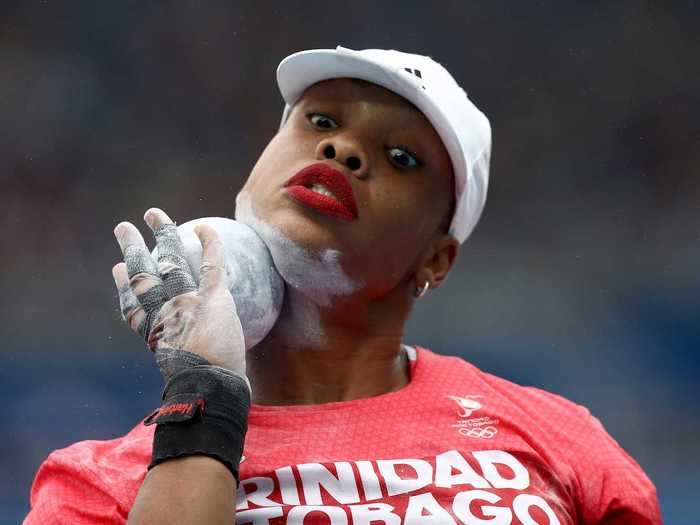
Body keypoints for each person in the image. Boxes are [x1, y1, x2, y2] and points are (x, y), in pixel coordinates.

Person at [24, 46, 661, 525]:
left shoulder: (558, 438)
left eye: (401, 157)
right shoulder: (99, 483)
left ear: (435, 260)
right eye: (321, 121)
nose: (345, 151)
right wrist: (204, 397)